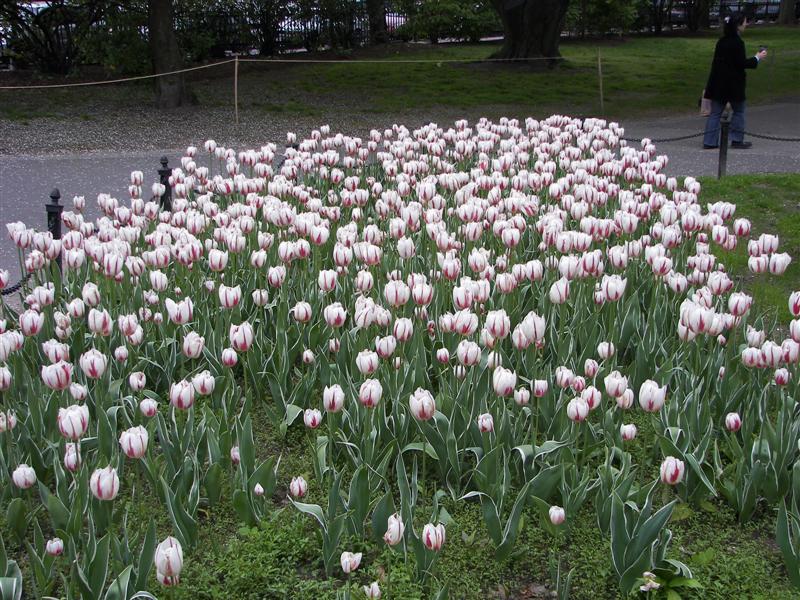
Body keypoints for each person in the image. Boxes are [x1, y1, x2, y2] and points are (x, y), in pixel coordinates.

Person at [702, 15, 767, 150]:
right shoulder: (737, 43)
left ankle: (710, 141)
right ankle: (736, 139)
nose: (746, 25)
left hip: (718, 82)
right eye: (744, 22)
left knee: (715, 113)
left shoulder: (721, 41)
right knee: (739, 111)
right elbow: (741, 63)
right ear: (737, 25)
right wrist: (757, 58)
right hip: (733, 84)